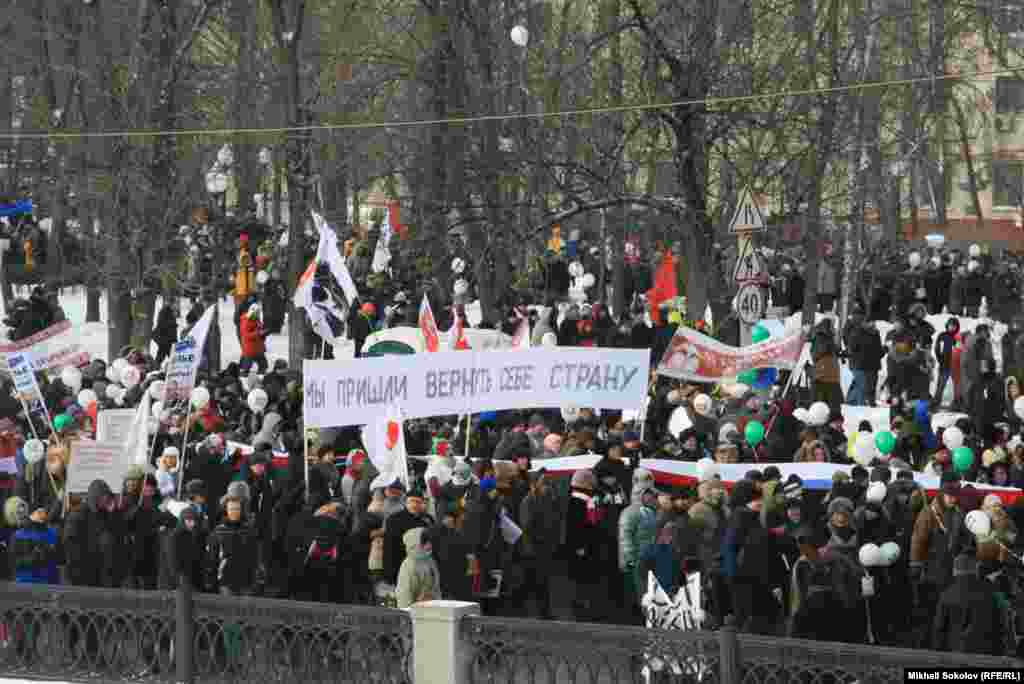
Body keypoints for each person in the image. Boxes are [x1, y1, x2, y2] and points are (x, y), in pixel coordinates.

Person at [932, 554, 1005, 655]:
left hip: (955, 653)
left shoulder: (946, 594)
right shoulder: (991, 593)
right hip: (986, 654)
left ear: (954, 570)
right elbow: (1001, 626)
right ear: (976, 569)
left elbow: (939, 629)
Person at [64, 479, 120, 588]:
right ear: (96, 497)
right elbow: (70, 543)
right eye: (104, 496)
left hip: (99, 570)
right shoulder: (78, 514)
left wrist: (114, 513)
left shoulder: (105, 513)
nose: (107, 499)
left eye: (107, 496)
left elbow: (116, 533)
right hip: (82, 571)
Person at [382, 485, 435, 585]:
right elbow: (389, 549)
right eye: (411, 501)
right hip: (401, 567)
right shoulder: (394, 520)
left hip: (422, 568)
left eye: (418, 502)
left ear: (422, 504)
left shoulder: (427, 520)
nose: (414, 505)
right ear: (405, 502)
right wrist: (389, 575)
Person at [395, 527, 441, 609]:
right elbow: (404, 595)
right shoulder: (409, 565)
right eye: (424, 542)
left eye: (429, 541)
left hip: (432, 607)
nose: (429, 545)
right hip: (414, 612)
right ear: (414, 544)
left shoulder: (430, 560)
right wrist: (407, 614)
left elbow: (436, 586)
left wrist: (437, 602)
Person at [239, 302, 269, 373]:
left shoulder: (256, 319)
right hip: (250, 348)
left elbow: (259, 328)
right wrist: (259, 333)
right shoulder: (246, 321)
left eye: (258, 312)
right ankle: (244, 376)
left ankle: (260, 375)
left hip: (258, 347)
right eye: (256, 312)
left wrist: (264, 333)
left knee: (263, 365)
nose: (258, 314)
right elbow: (246, 335)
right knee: (246, 367)